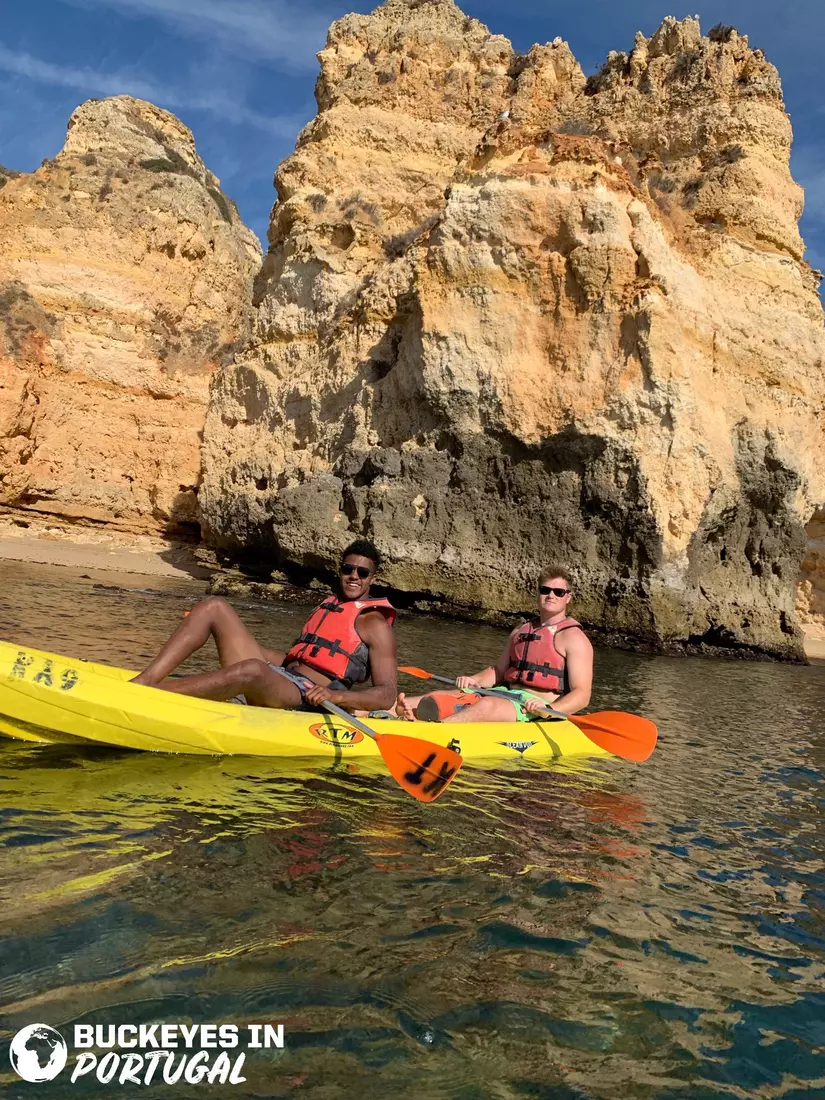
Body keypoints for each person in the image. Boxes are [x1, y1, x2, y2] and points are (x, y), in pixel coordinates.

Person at [130, 540, 398, 713]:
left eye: (362, 573)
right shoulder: (327, 606)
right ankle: (145, 680)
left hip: (309, 700)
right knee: (214, 607)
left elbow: (386, 694)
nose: (354, 576)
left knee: (252, 669)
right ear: (340, 570)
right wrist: (245, 644)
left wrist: (336, 697)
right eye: (348, 569)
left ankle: (151, 697)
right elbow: (295, 659)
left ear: (371, 579)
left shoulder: (375, 624)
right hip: (282, 678)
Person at [397, 566, 592, 723]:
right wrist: (473, 681)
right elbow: (498, 671)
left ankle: (433, 732)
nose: (551, 596)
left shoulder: (574, 638)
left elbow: (582, 695)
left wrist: (550, 710)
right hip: (502, 694)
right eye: (545, 590)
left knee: (486, 706)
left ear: (568, 596)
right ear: (538, 593)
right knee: (438, 696)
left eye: (558, 592)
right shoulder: (520, 631)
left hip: (536, 707)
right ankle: (379, 714)